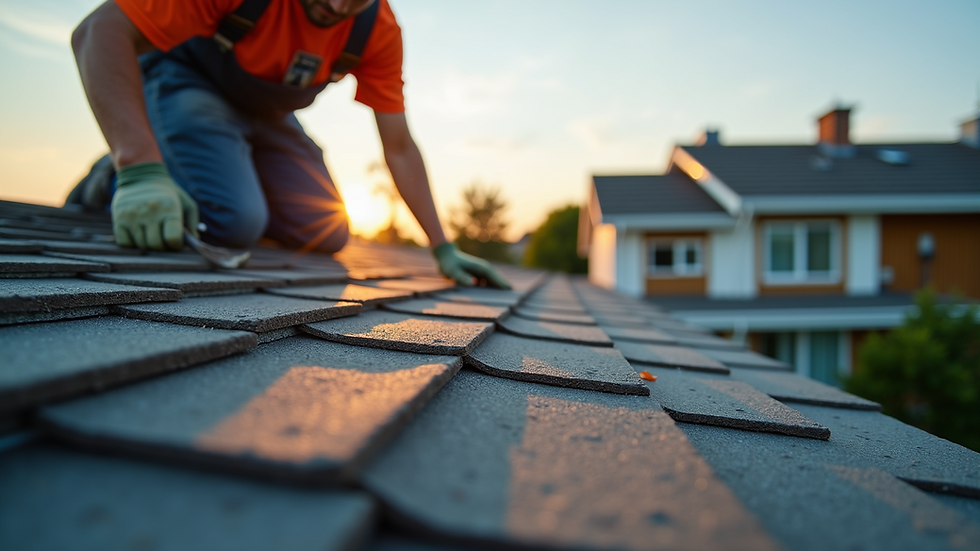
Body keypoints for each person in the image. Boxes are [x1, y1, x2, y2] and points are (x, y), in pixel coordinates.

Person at [68, 0, 510, 288]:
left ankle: (206, 163)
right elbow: (97, 31)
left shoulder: (379, 30)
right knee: (233, 221)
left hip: (267, 116)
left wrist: (442, 246)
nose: (336, 6)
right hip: (188, 85)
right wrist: (139, 166)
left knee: (327, 230)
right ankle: (118, 172)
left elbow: (398, 146)